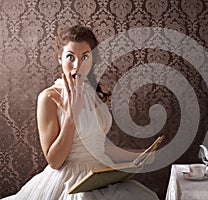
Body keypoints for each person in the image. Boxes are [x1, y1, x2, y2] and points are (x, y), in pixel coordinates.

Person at [2, 25, 159, 200]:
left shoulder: (98, 93)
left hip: (99, 177)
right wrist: (71, 117)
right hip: (70, 182)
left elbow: (101, 147)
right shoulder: (49, 97)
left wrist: (142, 155)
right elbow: (54, 161)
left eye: (85, 57)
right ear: (59, 59)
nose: (77, 65)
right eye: (70, 57)